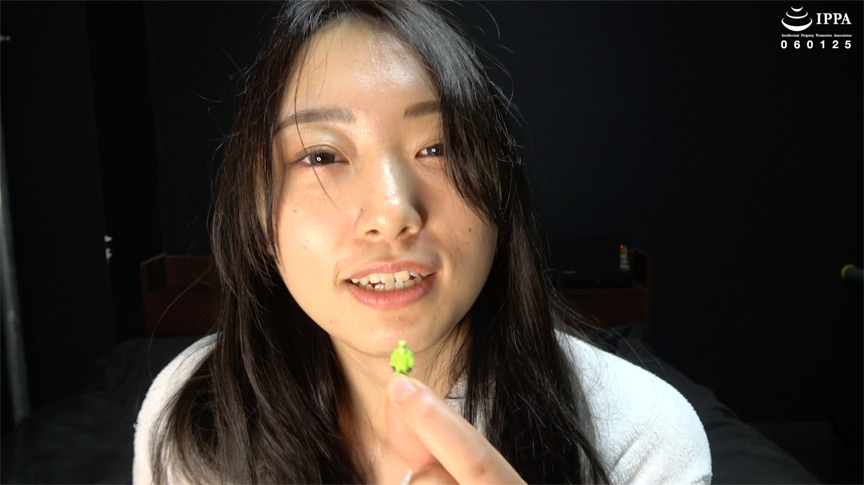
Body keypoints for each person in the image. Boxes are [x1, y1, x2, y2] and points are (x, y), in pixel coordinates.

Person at [133, 1, 711, 483]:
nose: (392, 214)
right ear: (259, 218)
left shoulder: (640, 439)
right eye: (321, 156)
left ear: (501, 195)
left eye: (439, 148)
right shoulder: (191, 416)